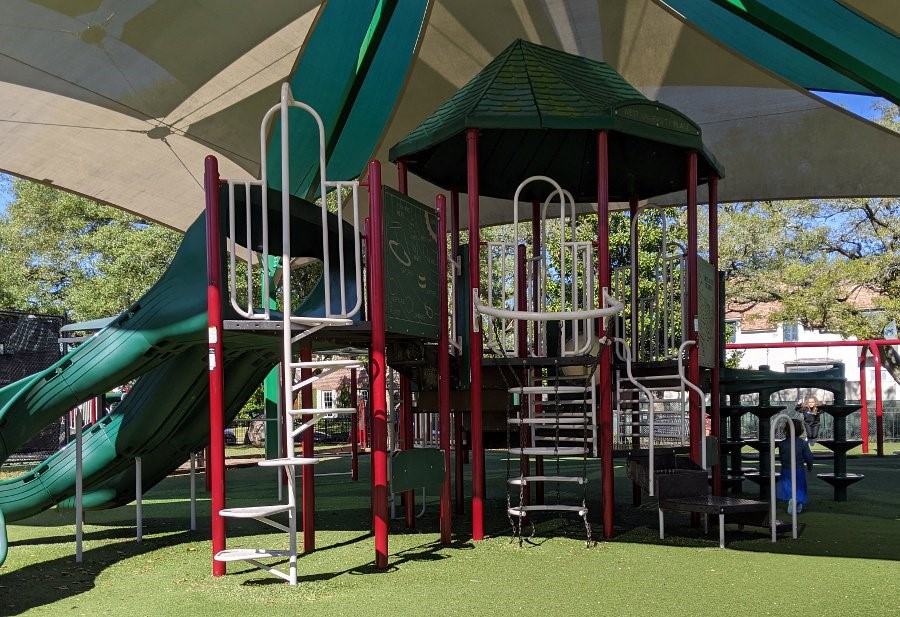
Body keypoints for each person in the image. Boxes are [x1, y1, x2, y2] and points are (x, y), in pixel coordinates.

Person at [776, 418, 815, 513]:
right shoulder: (803, 443)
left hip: (786, 470)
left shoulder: (782, 444)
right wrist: (810, 466)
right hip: (798, 470)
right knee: (799, 488)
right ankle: (797, 502)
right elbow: (808, 457)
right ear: (800, 430)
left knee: (788, 487)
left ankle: (792, 501)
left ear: (786, 430)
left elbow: (782, 457)